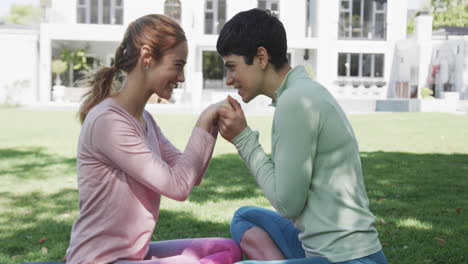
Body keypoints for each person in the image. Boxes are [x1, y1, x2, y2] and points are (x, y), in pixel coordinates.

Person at [215, 9, 388, 264]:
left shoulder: (296, 101)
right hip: (322, 253)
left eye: (232, 67)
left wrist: (243, 139)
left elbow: (288, 206)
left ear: (261, 57)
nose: (229, 80)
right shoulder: (300, 93)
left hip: (350, 259)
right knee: (245, 218)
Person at [65, 14, 241, 264]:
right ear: (147, 57)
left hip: (135, 255)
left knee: (227, 249)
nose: (181, 78)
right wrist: (203, 119)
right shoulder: (108, 122)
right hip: (100, 260)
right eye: (177, 65)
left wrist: (212, 125)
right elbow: (177, 187)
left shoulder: (145, 119)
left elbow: (191, 176)